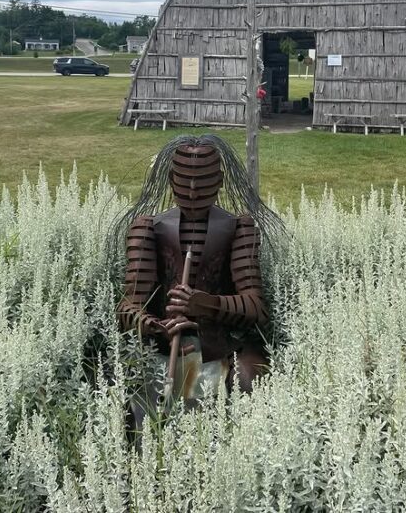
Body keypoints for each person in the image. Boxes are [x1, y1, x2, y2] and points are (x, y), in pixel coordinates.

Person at [115, 134, 284, 398]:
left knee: (252, 380)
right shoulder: (148, 229)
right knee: (123, 390)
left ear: (219, 181)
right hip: (162, 347)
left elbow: (256, 308)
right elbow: (127, 306)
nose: (193, 192)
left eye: (202, 181)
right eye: (185, 181)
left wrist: (207, 304)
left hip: (222, 348)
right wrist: (156, 325)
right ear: (172, 180)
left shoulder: (238, 229)